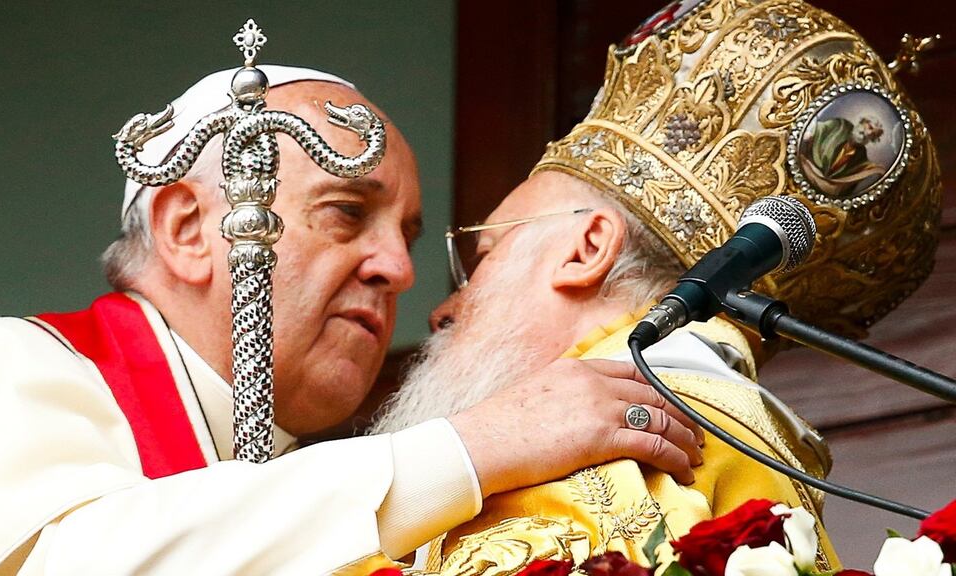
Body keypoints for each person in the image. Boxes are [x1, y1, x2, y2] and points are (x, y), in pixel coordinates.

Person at [0, 58, 708, 574]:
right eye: (344, 213)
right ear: (188, 230)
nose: (398, 270)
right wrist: (471, 448)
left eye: (405, 236)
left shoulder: (306, 473)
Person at [370, 1, 942, 573]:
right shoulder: (745, 447)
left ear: (585, 248)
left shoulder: (615, 446)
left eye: (484, 256)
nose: (444, 311)